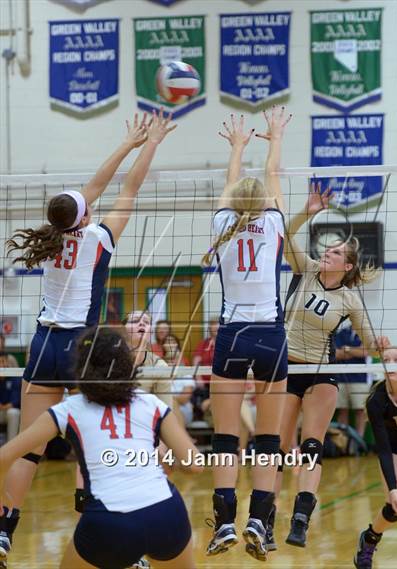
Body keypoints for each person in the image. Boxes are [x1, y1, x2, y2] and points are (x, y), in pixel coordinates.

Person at [1, 111, 176, 564]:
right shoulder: (98, 237)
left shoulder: (49, 237)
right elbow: (128, 190)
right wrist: (148, 142)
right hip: (83, 347)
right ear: (86, 214)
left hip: (43, 344)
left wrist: (126, 144)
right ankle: (116, 526)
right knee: (98, 440)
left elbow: (87, 194)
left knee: (30, 447)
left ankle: (4, 530)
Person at [0, 327, 202, 569]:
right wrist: (161, 459)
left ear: (81, 369)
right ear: (127, 365)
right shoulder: (151, 404)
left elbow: (5, 456)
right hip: (166, 513)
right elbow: (194, 464)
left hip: (108, 522)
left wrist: (3, 497)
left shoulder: (67, 410)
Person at [271, 182, 391, 550]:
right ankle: (264, 517)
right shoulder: (305, 269)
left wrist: (381, 346)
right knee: (274, 447)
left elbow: (368, 338)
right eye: (329, 248)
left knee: (311, 446)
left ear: (348, 265)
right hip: (287, 369)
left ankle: (301, 517)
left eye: (336, 251)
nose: (328, 252)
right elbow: (285, 234)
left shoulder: (350, 298)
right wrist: (308, 212)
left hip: (320, 372)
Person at [203, 108, 291, 561]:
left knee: (225, 436)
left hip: (233, 333)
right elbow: (271, 173)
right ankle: (260, 518)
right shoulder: (275, 222)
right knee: (269, 440)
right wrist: (274, 137)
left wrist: (236, 147)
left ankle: (224, 525)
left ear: (235, 201)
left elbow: (233, 184)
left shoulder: (221, 224)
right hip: (271, 335)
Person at [354, 347, 397, 569]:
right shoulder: (376, 399)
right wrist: (394, 488)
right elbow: (382, 447)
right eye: (386, 359)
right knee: (396, 507)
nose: (391, 363)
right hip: (394, 450)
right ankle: (369, 539)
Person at [124, 310, 172, 406]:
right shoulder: (109, 359)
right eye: (135, 321)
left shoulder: (159, 365)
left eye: (146, 322)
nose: (141, 323)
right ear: (123, 330)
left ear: (150, 333)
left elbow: (165, 409)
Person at [335, 323, 371, 437]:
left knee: (360, 411)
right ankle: (343, 442)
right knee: (342, 410)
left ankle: (358, 442)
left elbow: (366, 352)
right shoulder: (342, 332)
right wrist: (356, 351)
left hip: (360, 378)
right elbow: (336, 354)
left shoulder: (367, 332)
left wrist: (347, 349)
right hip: (341, 376)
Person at [0, 343, 21, 443]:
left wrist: (5, 406)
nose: (2, 364)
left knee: (14, 413)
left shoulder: (14, 377)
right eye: (0, 362)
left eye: (4, 361)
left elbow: (16, 401)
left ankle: (11, 445)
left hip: (8, 411)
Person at [193, 318, 219, 386]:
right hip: (205, 382)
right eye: (214, 325)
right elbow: (196, 363)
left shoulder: (227, 344)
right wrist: (199, 379)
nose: (216, 328)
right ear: (210, 329)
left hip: (221, 381)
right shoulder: (203, 344)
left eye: (218, 325)